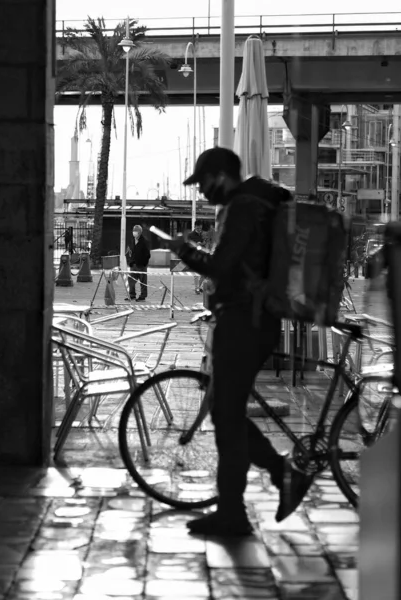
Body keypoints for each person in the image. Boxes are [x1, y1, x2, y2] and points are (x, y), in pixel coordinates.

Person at [166, 147, 312, 537]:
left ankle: (245, 503)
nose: (201, 192)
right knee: (227, 414)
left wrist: (185, 251)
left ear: (220, 175)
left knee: (227, 417)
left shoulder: (243, 207)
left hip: (244, 322)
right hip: (252, 320)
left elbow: (221, 268)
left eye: (203, 183)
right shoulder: (256, 203)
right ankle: (259, 490)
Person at [126, 225, 150, 302]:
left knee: (143, 281)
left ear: (139, 232)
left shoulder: (144, 241)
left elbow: (147, 255)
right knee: (130, 280)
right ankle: (132, 295)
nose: (134, 232)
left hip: (141, 265)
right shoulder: (132, 240)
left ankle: (143, 296)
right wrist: (129, 262)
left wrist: (144, 264)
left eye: (135, 230)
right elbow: (129, 252)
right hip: (133, 265)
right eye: (133, 230)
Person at [187, 220, 206, 294]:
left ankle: (199, 286)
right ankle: (196, 288)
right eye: (198, 228)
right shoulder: (190, 235)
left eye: (200, 228)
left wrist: (204, 243)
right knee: (196, 273)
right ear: (195, 227)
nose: (199, 230)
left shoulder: (204, 234)